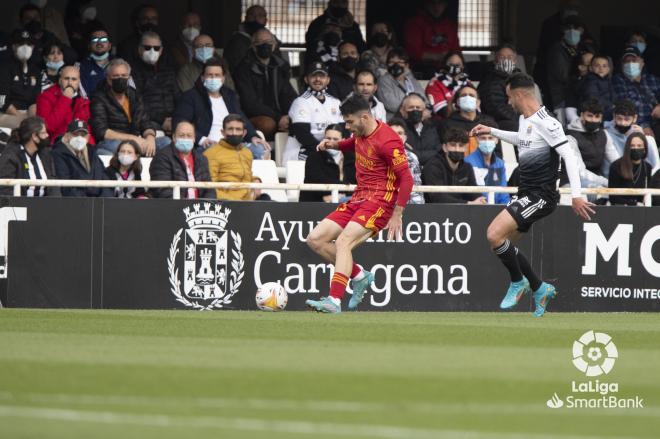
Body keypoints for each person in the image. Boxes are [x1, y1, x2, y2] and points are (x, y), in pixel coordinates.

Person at [470, 72, 594, 317]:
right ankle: (539, 288)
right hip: (526, 192)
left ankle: (519, 283)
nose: (508, 102)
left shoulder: (547, 122)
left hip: (541, 195)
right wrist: (492, 131)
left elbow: (568, 155)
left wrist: (577, 195)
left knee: (494, 234)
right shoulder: (525, 119)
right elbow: (522, 140)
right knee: (504, 245)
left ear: (519, 94)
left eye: (509, 97)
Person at [304, 95, 413, 313]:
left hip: (381, 201)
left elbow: (407, 178)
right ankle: (359, 276)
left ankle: (334, 300)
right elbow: (354, 143)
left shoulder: (388, 141)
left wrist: (397, 214)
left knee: (343, 242)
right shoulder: (361, 133)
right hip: (359, 197)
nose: (347, 126)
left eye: (349, 122)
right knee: (315, 239)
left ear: (364, 117)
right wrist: (334, 144)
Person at [172, 58, 268, 159]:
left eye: (217, 75)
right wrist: (201, 139)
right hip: (208, 146)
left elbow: (241, 119)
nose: (213, 78)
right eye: (210, 75)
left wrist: (253, 136)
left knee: (260, 149)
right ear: (202, 78)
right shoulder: (191, 97)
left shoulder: (230, 95)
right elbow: (179, 122)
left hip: (234, 144)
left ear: (223, 78)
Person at [90, 58, 166, 156]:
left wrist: (150, 138)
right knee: (113, 146)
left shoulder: (134, 95)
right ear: (109, 79)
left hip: (137, 142)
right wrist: (133, 139)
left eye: (123, 76)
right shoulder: (99, 97)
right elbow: (101, 131)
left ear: (129, 78)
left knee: (166, 142)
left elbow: (145, 122)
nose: (120, 78)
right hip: (115, 143)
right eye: (116, 76)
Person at [234, 28, 297, 140]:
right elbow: (249, 103)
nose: (265, 45)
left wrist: (289, 115)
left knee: (298, 120)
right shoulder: (244, 68)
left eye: (269, 42)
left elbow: (288, 94)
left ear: (274, 46)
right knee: (268, 124)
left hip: (279, 115)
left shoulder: (280, 66)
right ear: (253, 46)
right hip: (254, 116)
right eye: (261, 42)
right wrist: (278, 118)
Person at [283, 61, 343, 164]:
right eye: (313, 76)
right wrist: (323, 149)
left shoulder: (336, 102)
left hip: (330, 148)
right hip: (302, 150)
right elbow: (303, 135)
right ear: (306, 79)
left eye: (322, 76)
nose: (318, 79)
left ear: (328, 80)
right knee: (319, 161)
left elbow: (343, 130)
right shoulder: (300, 102)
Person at [149, 120, 215, 199]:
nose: (185, 138)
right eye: (181, 135)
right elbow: (162, 190)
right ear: (174, 137)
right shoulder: (162, 157)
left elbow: (209, 189)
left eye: (189, 135)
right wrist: (186, 205)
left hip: (199, 208)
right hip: (174, 207)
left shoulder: (201, 159)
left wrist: (204, 205)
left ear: (194, 139)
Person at [562, 99, 618, 190]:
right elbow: (580, 172)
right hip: (571, 182)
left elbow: (616, 161)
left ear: (601, 118)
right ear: (582, 115)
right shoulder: (569, 136)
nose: (593, 120)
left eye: (597, 117)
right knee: (602, 195)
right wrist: (607, 183)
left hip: (597, 181)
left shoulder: (604, 134)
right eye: (589, 116)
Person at [131, 31, 178, 136]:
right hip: (149, 122)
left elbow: (178, 96)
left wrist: (176, 118)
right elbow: (137, 103)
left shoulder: (168, 70)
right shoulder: (132, 72)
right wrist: (162, 120)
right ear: (140, 49)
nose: (152, 51)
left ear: (161, 50)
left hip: (173, 120)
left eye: (156, 48)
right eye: (147, 48)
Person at [421, 127, 484, 204]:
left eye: (461, 145)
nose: (457, 149)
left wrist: (480, 200)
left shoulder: (467, 168)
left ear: (466, 148)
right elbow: (437, 197)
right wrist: (468, 203)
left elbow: (473, 191)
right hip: (432, 213)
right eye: (453, 145)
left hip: (461, 212)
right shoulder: (432, 166)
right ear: (444, 147)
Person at [0, 116, 60, 197]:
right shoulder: (11, 156)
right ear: (34, 136)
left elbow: (53, 183)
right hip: (20, 206)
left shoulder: (45, 153)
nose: (47, 135)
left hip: (46, 205)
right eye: (43, 133)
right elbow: (5, 189)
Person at [52, 119, 111, 197]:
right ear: (67, 136)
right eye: (75, 134)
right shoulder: (58, 153)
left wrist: (103, 199)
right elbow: (66, 185)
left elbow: (104, 176)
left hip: (97, 203)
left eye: (83, 135)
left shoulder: (92, 151)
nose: (79, 138)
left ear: (88, 137)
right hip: (76, 203)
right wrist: (87, 202)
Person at [403, 0, 460, 78]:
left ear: (445, 4)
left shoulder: (450, 25)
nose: (436, 7)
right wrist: (438, 56)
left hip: (447, 67)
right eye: (433, 3)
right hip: (423, 68)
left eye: (440, 3)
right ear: (426, 4)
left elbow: (456, 50)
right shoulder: (415, 23)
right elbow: (413, 52)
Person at [612, 46, 660, 138]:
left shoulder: (652, 79)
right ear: (622, 65)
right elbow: (624, 107)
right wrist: (644, 126)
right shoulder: (618, 80)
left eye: (634, 60)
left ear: (642, 62)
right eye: (627, 61)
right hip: (635, 125)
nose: (630, 64)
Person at [36, 65, 92, 144]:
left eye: (74, 79)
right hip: (57, 144)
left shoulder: (83, 101)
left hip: (81, 143)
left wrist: (90, 145)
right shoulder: (45, 97)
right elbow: (48, 127)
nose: (70, 82)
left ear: (78, 82)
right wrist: (65, 99)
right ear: (60, 80)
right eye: (66, 79)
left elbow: (88, 130)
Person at [203, 114, 253, 201]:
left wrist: (256, 180)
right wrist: (233, 200)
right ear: (223, 132)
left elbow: (248, 177)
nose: (234, 133)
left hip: (248, 202)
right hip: (226, 204)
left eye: (238, 129)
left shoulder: (247, 153)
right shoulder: (211, 153)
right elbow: (210, 187)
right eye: (230, 129)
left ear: (244, 133)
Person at [603, 100, 659, 175]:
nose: (623, 123)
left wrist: (642, 139)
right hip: (614, 176)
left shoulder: (639, 133)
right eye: (619, 119)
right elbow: (616, 163)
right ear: (614, 116)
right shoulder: (606, 133)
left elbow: (655, 166)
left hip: (639, 176)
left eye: (627, 119)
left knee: (649, 139)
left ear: (634, 118)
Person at [438, 85, 497, 156]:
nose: (467, 98)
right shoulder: (446, 124)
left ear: (478, 102)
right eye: (463, 95)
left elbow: (498, 150)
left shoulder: (488, 121)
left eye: (471, 95)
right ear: (458, 102)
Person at [0, 30, 40, 130]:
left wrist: (31, 119)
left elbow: (35, 100)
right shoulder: (5, 67)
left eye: (29, 44)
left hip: (28, 113)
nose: (25, 47)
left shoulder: (35, 69)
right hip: (7, 113)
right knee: (24, 126)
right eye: (21, 44)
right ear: (14, 46)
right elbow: (3, 101)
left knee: (38, 126)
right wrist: (23, 119)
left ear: (33, 47)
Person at [545, 15, 584, 118]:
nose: (572, 31)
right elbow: (562, 75)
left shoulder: (583, 48)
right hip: (561, 99)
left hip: (579, 98)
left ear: (582, 30)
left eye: (575, 28)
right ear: (563, 30)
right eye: (568, 28)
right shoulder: (557, 50)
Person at [225, 5, 283, 72]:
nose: (256, 18)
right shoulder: (237, 41)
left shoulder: (272, 40)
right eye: (252, 15)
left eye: (260, 15)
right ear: (246, 18)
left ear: (265, 21)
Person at [478, 44, 522, 131]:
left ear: (515, 60)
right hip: (500, 122)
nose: (506, 60)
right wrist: (521, 120)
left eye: (510, 57)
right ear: (495, 60)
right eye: (502, 57)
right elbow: (497, 109)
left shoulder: (521, 79)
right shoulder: (489, 80)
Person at [377, 47, 428, 120]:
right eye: (391, 62)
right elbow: (392, 105)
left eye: (400, 62)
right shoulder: (383, 80)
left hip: (418, 119)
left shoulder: (411, 80)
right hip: (396, 121)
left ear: (407, 65)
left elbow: (425, 100)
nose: (396, 65)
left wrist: (425, 111)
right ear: (387, 65)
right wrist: (417, 108)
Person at [465, 125, 510, 204]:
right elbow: (470, 194)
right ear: (477, 139)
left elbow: (503, 194)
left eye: (490, 138)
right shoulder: (468, 162)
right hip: (476, 209)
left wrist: (504, 209)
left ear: (497, 140)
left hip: (497, 210)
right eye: (483, 138)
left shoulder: (500, 164)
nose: (487, 141)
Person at [300, 124, 344, 202]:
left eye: (335, 139)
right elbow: (317, 181)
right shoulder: (314, 157)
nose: (331, 142)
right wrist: (344, 187)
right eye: (328, 138)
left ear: (343, 140)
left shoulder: (350, 159)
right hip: (316, 203)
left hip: (343, 200)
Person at [608, 132, 653, 206]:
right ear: (627, 148)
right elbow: (612, 196)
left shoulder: (647, 167)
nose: (636, 148)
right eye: (632, 146)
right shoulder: (616, 166)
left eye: (639, 146)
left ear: (644, 148)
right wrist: (634, 204)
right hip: (620, 208)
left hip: (641, 209)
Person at [388, 118, 424, 204]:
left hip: (406, 207)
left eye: (400, 133)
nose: (396, 136)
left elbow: (416, 189)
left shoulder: (411, 158)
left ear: (405, 137)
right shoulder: (374, 157)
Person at [426, 51, 472, 117]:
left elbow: (475, 109)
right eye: (451, 65)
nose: (454, 67)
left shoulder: (468, 83)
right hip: (443, 123)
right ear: (444, 65)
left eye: (458, 65)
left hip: (467, 122)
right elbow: (442, 112)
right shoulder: (435, 83)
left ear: (463, 66)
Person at [397, 93, 440, 166]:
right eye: (411, 107)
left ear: (424, 110)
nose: (415, 110)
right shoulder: (398, 129)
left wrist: (414, 153)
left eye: (418, 107)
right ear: (402, 111)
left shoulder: (432, 128)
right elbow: (405, 155)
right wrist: (429, 154)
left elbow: (438, 152)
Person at [578, 54, 615, 121]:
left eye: (604, 66)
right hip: (594, 113)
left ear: (608, 69)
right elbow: (592, 97)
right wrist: (611, 106)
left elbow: (613, 96)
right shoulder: (590, 80)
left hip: (607, 111)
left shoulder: (608, 81)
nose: (601, 68)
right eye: (597, 65)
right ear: (591, 68)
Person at [78, 26, 113, 96]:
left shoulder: (120, 64)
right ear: (89, 45)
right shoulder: (80, 66)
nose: (99, 42)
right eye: (95, 39)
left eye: (103, 39)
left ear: (109, 45)